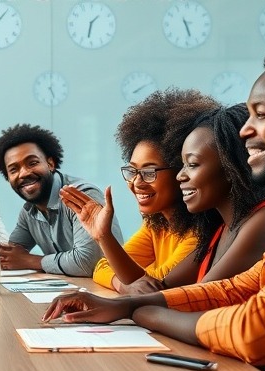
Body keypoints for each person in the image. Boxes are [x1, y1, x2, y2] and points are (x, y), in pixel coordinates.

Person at [45, 42, 265, 371]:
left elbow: (260, 329)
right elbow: (240, 288)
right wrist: (126, 306)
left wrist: (143, 313)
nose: (246, 131)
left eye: (261, 115)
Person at [60, 89, 216, 293]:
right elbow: (103, 268)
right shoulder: (156, 225)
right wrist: (125, 284)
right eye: (132, 170)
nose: (136, 182)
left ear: (182, 170)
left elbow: (156, 285)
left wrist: (126, 276)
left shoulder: (201, 233)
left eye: (149, 171)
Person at [154, 104, 265, 288]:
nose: (180, 175)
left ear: (230, 168)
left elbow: (199, 297)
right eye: (183, 164)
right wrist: (103, 235)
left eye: (193, 164)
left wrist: (126, 305)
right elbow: (162, 288)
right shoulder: (222, 229)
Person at [0, 124, 123, 276]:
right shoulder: (28, 211)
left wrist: (31, 261)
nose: (24, 173)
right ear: (8, 178)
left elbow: (88, 263)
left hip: (109, 291)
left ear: (50, 164)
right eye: (14, 170)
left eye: (32, 163)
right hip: (70, 291)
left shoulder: (81, 195)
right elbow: (9, 256)